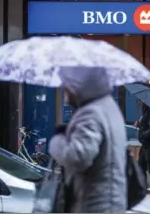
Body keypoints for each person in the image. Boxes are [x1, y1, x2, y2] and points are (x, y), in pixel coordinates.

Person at [48, 66, 127, 213]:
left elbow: (77, 158)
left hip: (94, 205)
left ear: (80, 85)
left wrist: (57, 142)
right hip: (108, 202)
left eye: (68, 85)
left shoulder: (91, 113)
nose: (65, 91)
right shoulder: (108, 107)